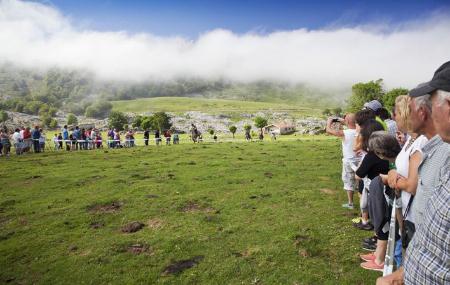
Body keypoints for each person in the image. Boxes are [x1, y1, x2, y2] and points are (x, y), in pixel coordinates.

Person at [377, 62, 450, 284]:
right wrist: (402, 274)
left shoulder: (444, 153)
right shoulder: (435, 149)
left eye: (432, 102)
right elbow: (435, 242)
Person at [326, 113, 359, 209]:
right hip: (359, 160)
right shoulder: (359, 130)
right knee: (360, 181)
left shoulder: (345, 132)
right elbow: (350, 123)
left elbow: (329, 131)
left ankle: (350, 203)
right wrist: (344, 120)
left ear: (347, 122)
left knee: (349, 181)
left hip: (348, 161)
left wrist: (329, 122)